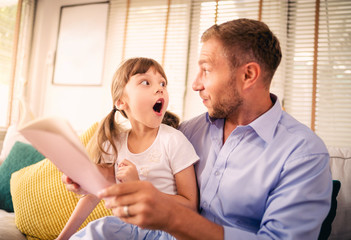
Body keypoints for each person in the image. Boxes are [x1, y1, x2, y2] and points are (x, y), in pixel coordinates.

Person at [64, 18, 333, 239]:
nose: (195, 84)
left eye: (206, 70)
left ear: (248, 75)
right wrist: (92, 182)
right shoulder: (187, 132)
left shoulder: (303, 154)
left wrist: (173, 217)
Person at [57, 57, 199, 240]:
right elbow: (94, 196)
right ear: (121, 102)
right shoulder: (115, 143)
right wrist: (62, 238)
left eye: (163, 83)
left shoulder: (174, 141)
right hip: (125, 228)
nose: (160, 88)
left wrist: (138, 188)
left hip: (166, 232)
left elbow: (191, 206)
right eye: (146, 82)